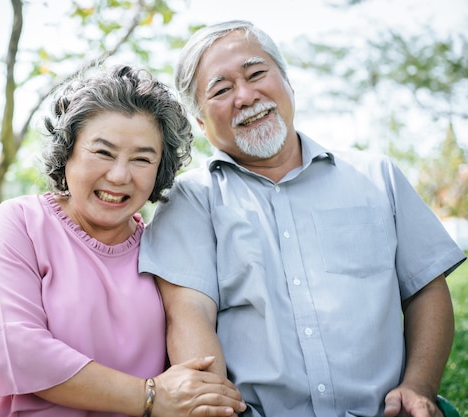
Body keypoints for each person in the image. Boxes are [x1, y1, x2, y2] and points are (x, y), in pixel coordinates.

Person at [138, 20, 467, 417]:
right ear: (200, 123)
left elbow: (424, 291)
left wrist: (419, 386)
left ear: (287, 82)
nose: (245, 96)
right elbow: (190, 315)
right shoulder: (192, 199)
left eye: (256, 73)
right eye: (221, 90)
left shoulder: (376, 175)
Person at [0, 65, 247, 417]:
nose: (119, 175)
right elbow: (9, 347)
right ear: (68, 151)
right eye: (103, 152)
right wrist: (149, 397)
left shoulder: (161, 249)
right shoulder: (22, 222)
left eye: (142, 159)